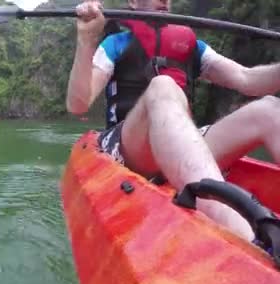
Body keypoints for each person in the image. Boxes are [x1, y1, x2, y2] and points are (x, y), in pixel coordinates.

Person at [66, 0, 280, 243]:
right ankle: (254, 238)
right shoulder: (116, 44)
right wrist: (86, 41)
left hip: (182, 144)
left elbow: (248, 80)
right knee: (164, 86)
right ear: (133, 2)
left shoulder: (192, 47)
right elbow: (78, 104)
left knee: (269, 110)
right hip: (132, 150)